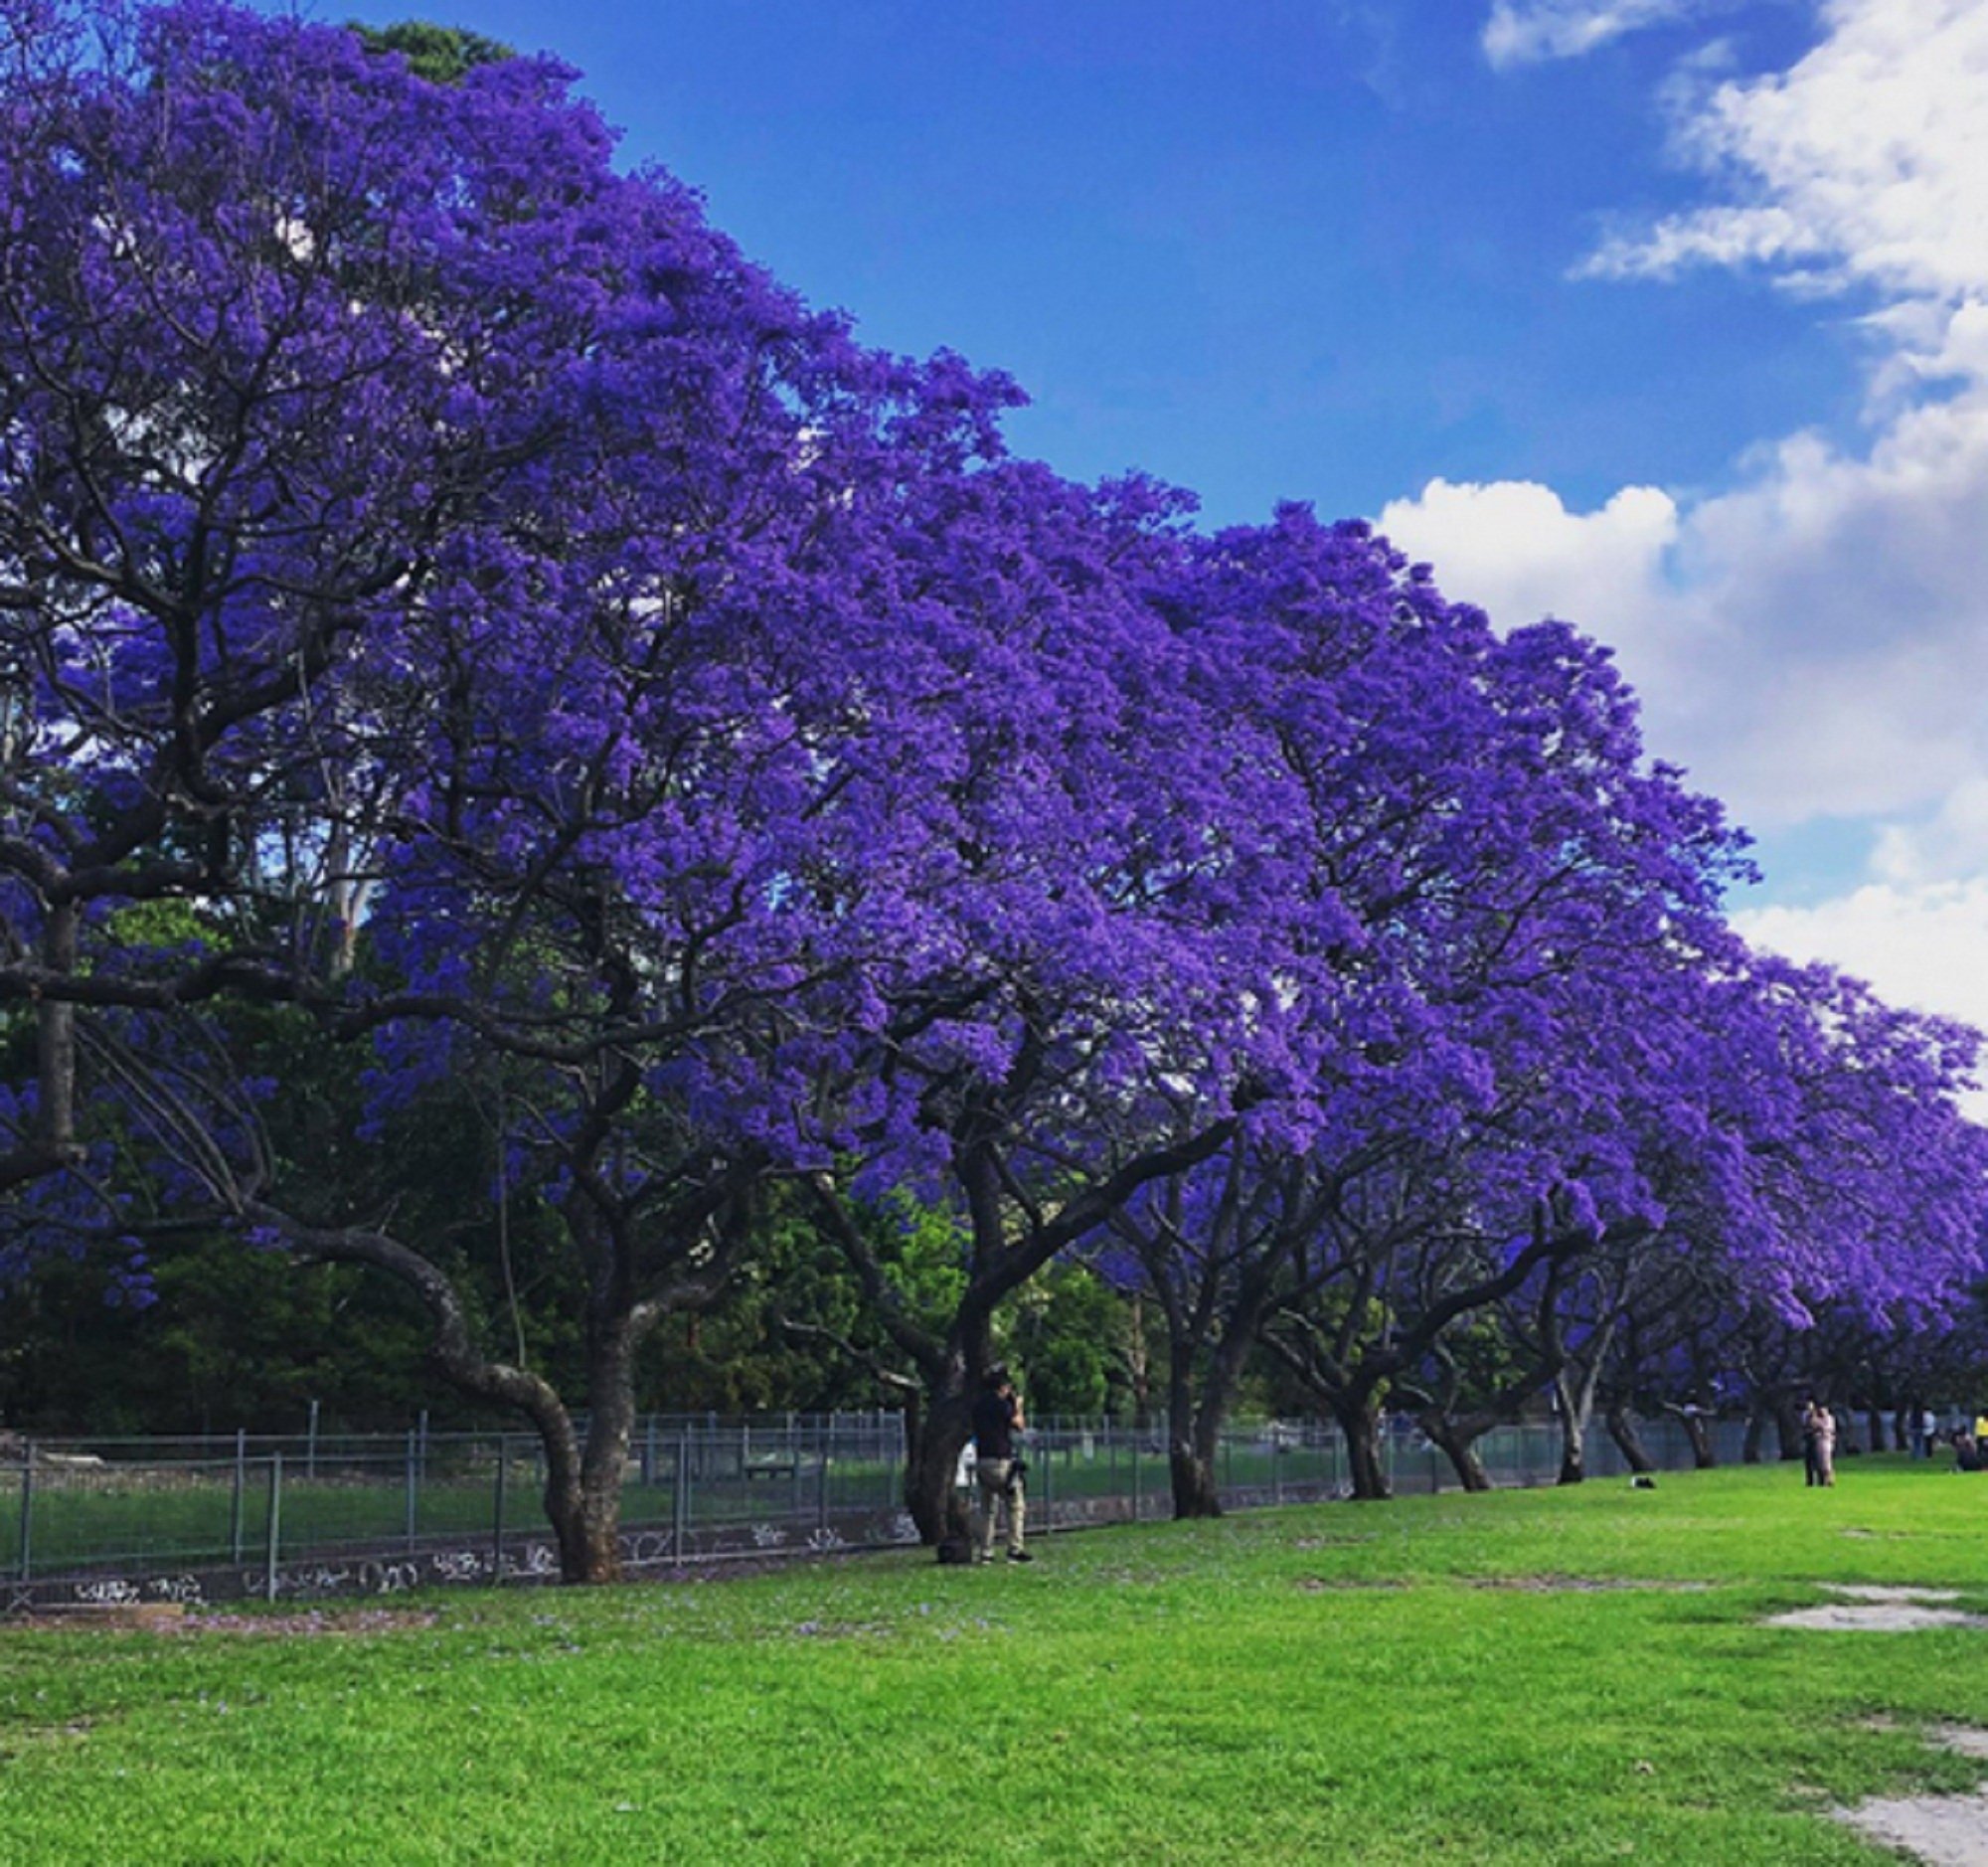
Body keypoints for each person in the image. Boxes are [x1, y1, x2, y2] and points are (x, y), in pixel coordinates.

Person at [970, 1364, 1032, 1564]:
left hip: (981, 1460)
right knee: (1015, 1504)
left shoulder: (978, 1405)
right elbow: (1019, 1425)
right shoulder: (1002, 1405)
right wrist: (1018, 1406)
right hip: (1000, 1462)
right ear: (1002, 1387)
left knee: (987, 1509)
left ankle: (985, 1552)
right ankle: (1015, 1548)